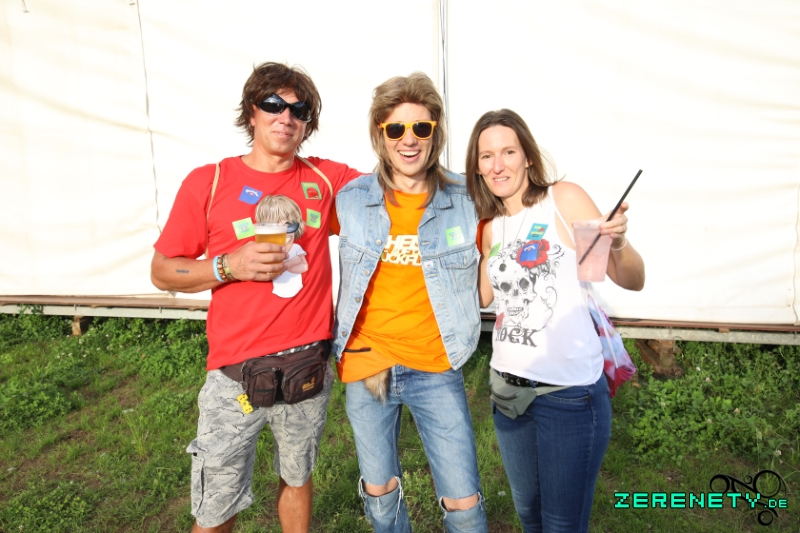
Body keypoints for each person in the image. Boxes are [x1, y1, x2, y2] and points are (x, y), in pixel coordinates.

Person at [150, 62, 362, 533]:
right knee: (215, 507)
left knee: (297, 477)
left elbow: (397, 190)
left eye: (299, 110)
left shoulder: (327, 180)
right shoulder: (210, 182)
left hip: (307, 368)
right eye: (273, 105)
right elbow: (162, 270)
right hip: (235, 377)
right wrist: (229, 266)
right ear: (251, 112)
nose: (285, 117)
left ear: (308, 123)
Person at [465, 109, 645, 533]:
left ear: (528, 156)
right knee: (529, 515)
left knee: (562, 524)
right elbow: (480, 297)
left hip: (569, 398)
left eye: (508, 152)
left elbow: (632, 279)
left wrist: (619, 242)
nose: (498, 165)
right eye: (487, 156)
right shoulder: (490, 227)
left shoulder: (562, 200)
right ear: (478, 167)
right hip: (507, 393)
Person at [331, 72, 488, 533]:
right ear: (380, 134)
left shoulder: (466, 199)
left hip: (435, 364)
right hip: (368, 364)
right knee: (380, 495)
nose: (409, 139)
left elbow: (520, 212)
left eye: (421, 127)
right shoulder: (351, 199)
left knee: (464, 503)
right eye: (396, 128)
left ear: (435, 133)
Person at [254, 194, 309, 298]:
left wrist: (289, 266)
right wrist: (288, 264)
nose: (284, 232)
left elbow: (305, 267)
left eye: (290, 226)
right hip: (277, 291)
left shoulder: (296, 248)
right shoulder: (265, 251)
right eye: (276, 226)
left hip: (298, 289)